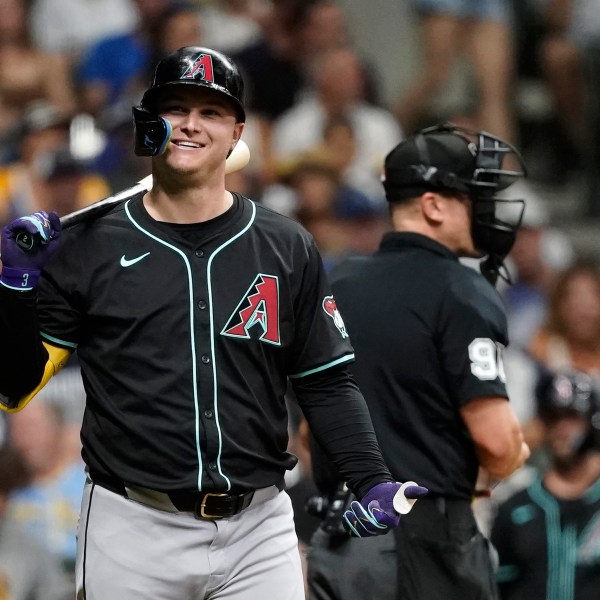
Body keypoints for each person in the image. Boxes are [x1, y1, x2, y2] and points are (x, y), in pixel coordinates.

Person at [0, 45, 426, 600]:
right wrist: (14, 286)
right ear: (150, 123)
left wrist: (370, 477)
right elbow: (13, 387)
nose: (191, 124)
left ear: (236, 133)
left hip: (258, 524)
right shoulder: (91, 245)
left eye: (211, 112)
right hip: (133, 525)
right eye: (175, 109)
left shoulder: (285, 245)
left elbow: (324, 381)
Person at [306, 122, 531, 600]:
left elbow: (312, 428)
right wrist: (513, 454)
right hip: (422, 543)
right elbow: (496, 442)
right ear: (433, 205)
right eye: (474, 197)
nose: (487, 210)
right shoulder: (460, 290)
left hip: (340, 536)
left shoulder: (340, 281)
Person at [491, 369, 600, 600]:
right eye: (553, 417)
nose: (562, 428)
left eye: (572, 416)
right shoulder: (515, 509)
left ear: (593, 420)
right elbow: (499, 587)